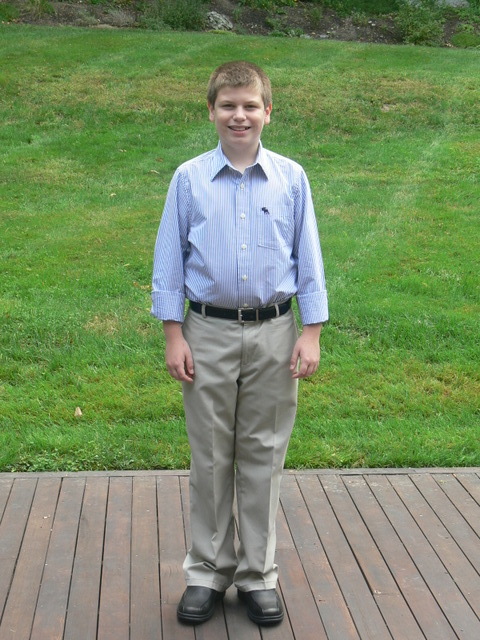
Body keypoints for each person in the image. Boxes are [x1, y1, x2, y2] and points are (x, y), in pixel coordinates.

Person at [151, 61, 328, 626]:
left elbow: (308, 256)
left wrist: (310, 331)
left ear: (267, 112)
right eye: (228, 105)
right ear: (211, 111)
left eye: (250, 105)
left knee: (263, 454)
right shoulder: (189, 179)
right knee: (209, 456)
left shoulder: (291, 178)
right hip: (207, 332)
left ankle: (257, 575)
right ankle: (206, 572)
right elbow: (169, 260)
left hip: (275, 333)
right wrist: (173, 333)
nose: (239, 115)